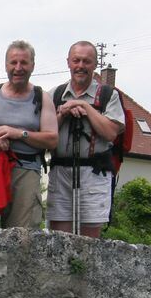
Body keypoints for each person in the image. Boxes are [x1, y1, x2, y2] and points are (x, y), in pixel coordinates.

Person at [0, 40, 58, 229]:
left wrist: (19, 134)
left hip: (26, 171)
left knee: (23, 236)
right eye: (13, 63)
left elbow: (52, 139)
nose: (18, 68)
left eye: (24, 63)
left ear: (33, 65)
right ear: (6, 65)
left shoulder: (42, 97)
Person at [48, 41, 125, 238]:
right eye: (76, 60)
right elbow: (45, 135)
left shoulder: (109, 96)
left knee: (90, 242)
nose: (80, 66)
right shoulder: (54, 95)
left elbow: (110, 133)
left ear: (95, 65)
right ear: (68, 62)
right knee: (59, 238)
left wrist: (87, 108)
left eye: (86, 61)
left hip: (94, 173)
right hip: (60, 172)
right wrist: (63, 112)